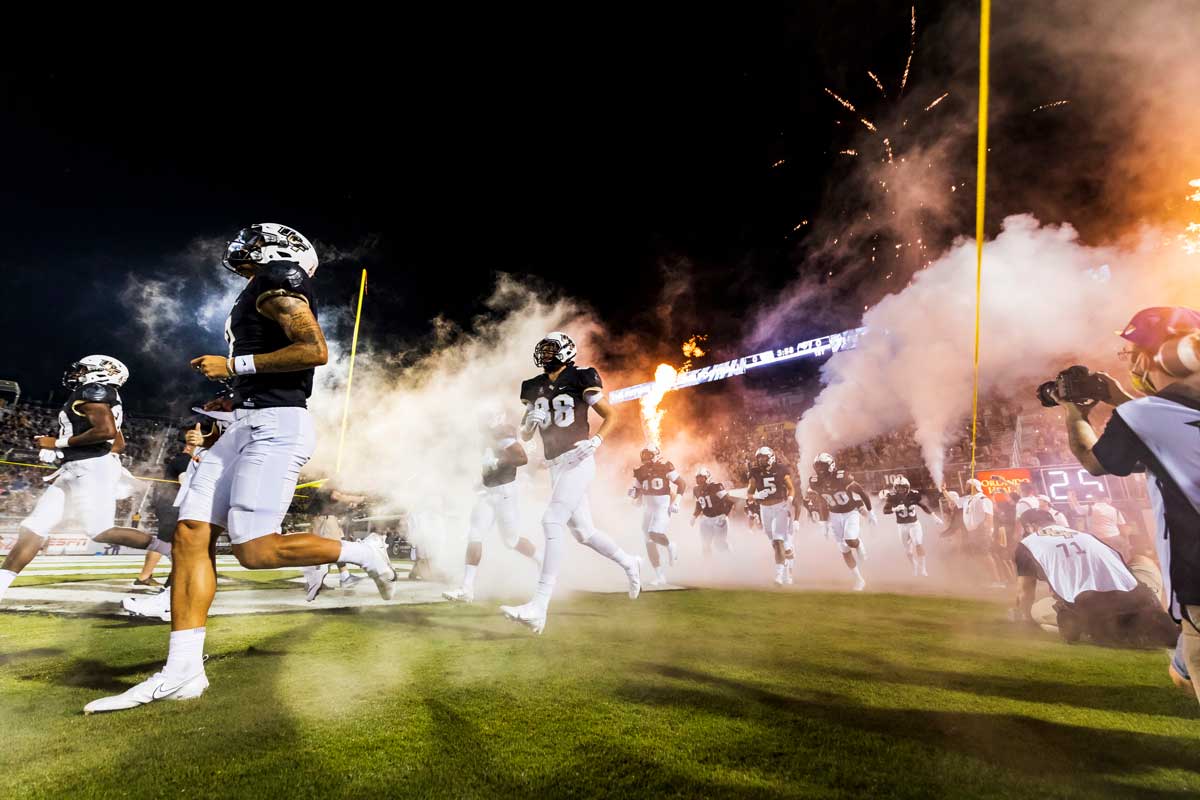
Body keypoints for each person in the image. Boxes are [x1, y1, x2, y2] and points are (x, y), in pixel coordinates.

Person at [85, 223, 397, 713]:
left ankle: (362, 552)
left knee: (255, 551)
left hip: (277, 427)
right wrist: (230, 399)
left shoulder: (279, 277)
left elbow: (315, 351)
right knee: (190, 534)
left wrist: (234, 368)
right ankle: (183, 671)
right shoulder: (257, 288)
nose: (245, 244)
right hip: (245, 425)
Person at [1053, 306, 1200, 703]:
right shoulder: (1151, 414)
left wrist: (1074, 412)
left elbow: (1094, 460)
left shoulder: (1144, 415)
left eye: (1136, 351)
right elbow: (1172, 427)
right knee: (1181, 671)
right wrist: (1121, 397)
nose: (1133, 361)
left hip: (1198, 580)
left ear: (1176, 352)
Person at [499, 332, 641, 635]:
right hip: (554, 465)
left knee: (551, 521)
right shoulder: (533, 386)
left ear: (565, 351)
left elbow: (610, 414)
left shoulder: (581, 377)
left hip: (578, 458)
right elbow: (525, 435)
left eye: (551, 349)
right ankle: (629, 562)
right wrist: (529, 423)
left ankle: (538, 607)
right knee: (584, 533)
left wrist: (597, 441)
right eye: (543, 350)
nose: (545, 355)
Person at [0, 356, 129, 604]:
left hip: (90, 469)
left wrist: (59, 444)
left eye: (83, 369)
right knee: (34, 526)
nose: (77, 374)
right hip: (84, 466)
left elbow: (107, 433)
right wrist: (64, 452)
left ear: (103, 372)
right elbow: (118, 443)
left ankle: (167, 548)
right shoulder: (108, 396)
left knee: (98, 531)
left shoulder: (95, 390)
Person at [1011, 510, 1177, 646]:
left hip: (1096, 615)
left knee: (1037, 610)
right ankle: (1157, 610)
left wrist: (1025, 619)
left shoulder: (1028, 544)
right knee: (1142, 560)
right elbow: (1119, 565)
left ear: (1030, 527)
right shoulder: (1086, 535)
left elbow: (1025, 591)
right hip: (1138, 600)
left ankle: (1085, 628)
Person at [443, 413, 541, 603]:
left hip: (504, 493)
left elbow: (522, 458)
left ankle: (542, 561)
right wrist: (482, 479)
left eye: (482, 419)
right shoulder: (485, 439)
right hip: (487, 493)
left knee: (511, 541)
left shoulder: (502, 434)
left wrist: (498, 462)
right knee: (474, 535)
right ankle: (467, 589)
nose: (479, 423)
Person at [810, 452, 872, 591]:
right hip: (834, 515)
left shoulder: (842, 476)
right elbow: (822, 500)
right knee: (844, 549)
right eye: (818, 466)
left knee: (850, 540)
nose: (820, 470)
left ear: (831, 466)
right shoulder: (815, 481)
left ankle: (859, 544)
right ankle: (859, 579)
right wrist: (824, 522)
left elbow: (860, 491)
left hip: (850, 512)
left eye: (822, 466)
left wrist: (870, 510)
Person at [630, 446, 685, 586]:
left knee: (654, 533)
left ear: (656, 454)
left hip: (662, 506)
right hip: (648, 508)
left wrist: (677, 502)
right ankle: (660, 576)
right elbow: (636, 490)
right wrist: (633, 494)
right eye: (645, 455)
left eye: (649, 455)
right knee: (648, 542)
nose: (646, 458)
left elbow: (681, 483)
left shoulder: (665, 466)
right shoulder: (640, 471)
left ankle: (670, 545)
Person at [748, 447, 796, 586]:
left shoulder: (781, 469)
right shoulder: (755, 472)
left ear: (771, 457)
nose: (761, 460)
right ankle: (787, 565)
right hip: (764, 508)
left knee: (778, 540)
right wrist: (756, 495)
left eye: (764, 457)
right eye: (759, 458)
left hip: (780, 506)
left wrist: (790, 499)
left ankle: (779, 576)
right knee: (775, 543)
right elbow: (749, 494)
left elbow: (791, 488)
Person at [882, 475, 940, 577]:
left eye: (902, 487)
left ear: (907, 487)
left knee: (918, 544)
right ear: (895, 488)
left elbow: (923, 506)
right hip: (901, 526)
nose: (900, 490)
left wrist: (934, 516)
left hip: (914, 524)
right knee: (908, 551)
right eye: (898, 488)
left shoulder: (914, 494)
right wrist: (895, 509)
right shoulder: (892, 497)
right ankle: (914, 566)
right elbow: (885, 510)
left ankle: (923, 569)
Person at [690, 467, 732, 557]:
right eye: (697, 478)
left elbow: (728, 501)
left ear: (707, 477)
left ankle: (731, 559)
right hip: (706, 519)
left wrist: (725, 514)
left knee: (720, 543)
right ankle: (708, 566)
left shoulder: (716, 486)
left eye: (702, 478)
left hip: (719, 517)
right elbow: (699, 504)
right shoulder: (696, 489)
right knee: (705, 545)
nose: (699, 480)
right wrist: (694, 516)